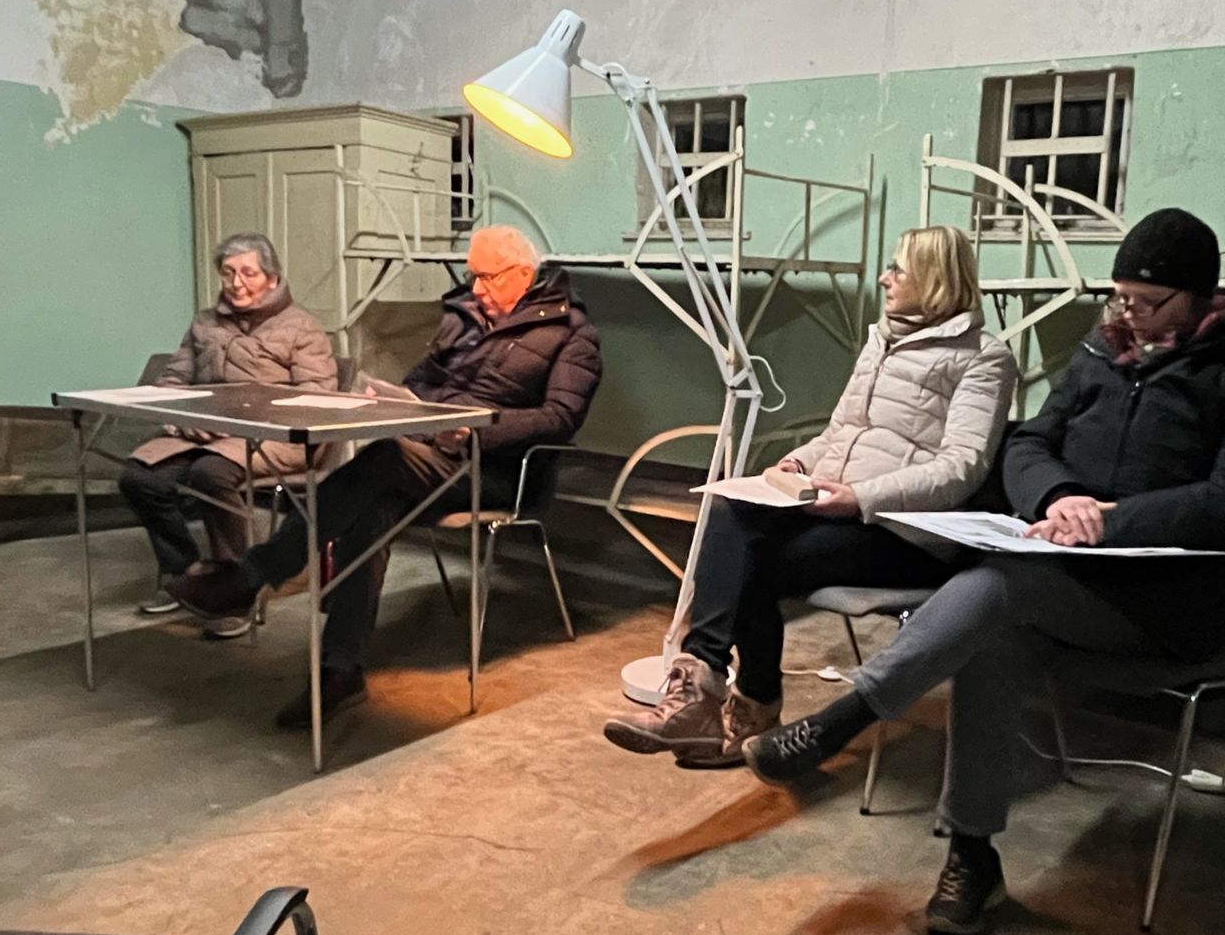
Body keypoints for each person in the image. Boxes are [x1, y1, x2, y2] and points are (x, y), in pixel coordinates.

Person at [740, 208, 1225, 935]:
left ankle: (844, 720)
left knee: (1001, 587)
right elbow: (1030, 441)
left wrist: (1110, 522)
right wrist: (1058, 498)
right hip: (1070, 580)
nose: (1130, 316)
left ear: (1201, 297)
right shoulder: (1104, 354)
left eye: (1149, 302)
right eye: (1120, 297)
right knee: (993, 633)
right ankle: (972, 857)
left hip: (1174, 604)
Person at [602, 225, 1017, 767]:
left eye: (899, 268)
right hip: (832, 508)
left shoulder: (984, 358)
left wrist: (859, 497)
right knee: (730, 510)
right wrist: (799, 462)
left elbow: (961, 467)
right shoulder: (882, 341)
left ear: (934, 279)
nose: (885, 278)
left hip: (906, 534)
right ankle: (702, 683)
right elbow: (839, 432)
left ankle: (744, 708)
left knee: (753, 561)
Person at [167, 226, 602, 727]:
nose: (477, 288)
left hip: (497, 470)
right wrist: (395, 401)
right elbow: (423, 382)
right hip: (431, 456)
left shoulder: (572, 334)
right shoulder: (464, 317)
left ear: (523, 274)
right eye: (473, 276)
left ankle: (252, 574)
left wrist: (476, 428)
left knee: (385, 460)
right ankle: (340, 669)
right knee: (371, 509)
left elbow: (560, 418)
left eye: (487, 277)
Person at [120, 233, 337, 638]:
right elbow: (172, 381)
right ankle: (186, 573)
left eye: (248, 273)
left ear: (272, 278)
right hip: (201, 432)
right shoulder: (204, 322)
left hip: (275, 436)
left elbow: (317, 399)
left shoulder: (301, 327)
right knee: (139, 477)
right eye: (228, 273)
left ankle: (235, 590)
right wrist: (184, 420)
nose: (237, 283)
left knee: (211, 474)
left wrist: (247, 420)